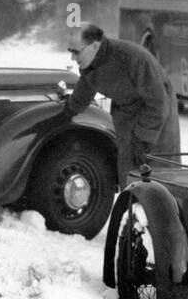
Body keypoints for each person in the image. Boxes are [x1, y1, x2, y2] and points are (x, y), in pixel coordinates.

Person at [63, 24, 180, 189]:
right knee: (129, 173)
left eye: (76, 52)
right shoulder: (91, 63)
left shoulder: (133, 59)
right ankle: (131, 211)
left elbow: (158, 103)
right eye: (70, 51)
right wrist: (69, 110)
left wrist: (143, 138)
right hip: (127, 115)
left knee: (160, 175)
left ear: (95, 45)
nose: (73, 59)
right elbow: (86, 87)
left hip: (158, 116)